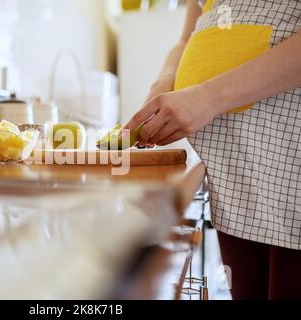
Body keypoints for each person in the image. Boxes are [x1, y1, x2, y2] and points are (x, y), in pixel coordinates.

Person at [124, 0, 301, 299]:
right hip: (231, 162)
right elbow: (187, 36)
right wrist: (165, 82)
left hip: (289, 150)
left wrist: (208, 97)